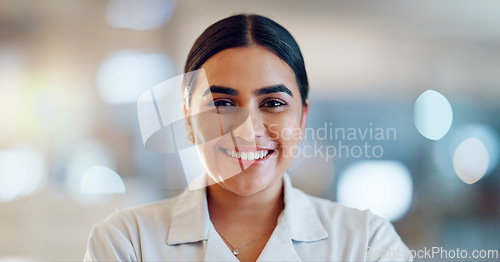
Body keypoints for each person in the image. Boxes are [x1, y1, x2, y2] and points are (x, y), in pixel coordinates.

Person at [84, 14, 412, 261]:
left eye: (273, 104)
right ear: (187, 118)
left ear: (302, 117)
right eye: (223, 104)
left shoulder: (367, 242)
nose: (249, 130)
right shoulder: (126, 243)